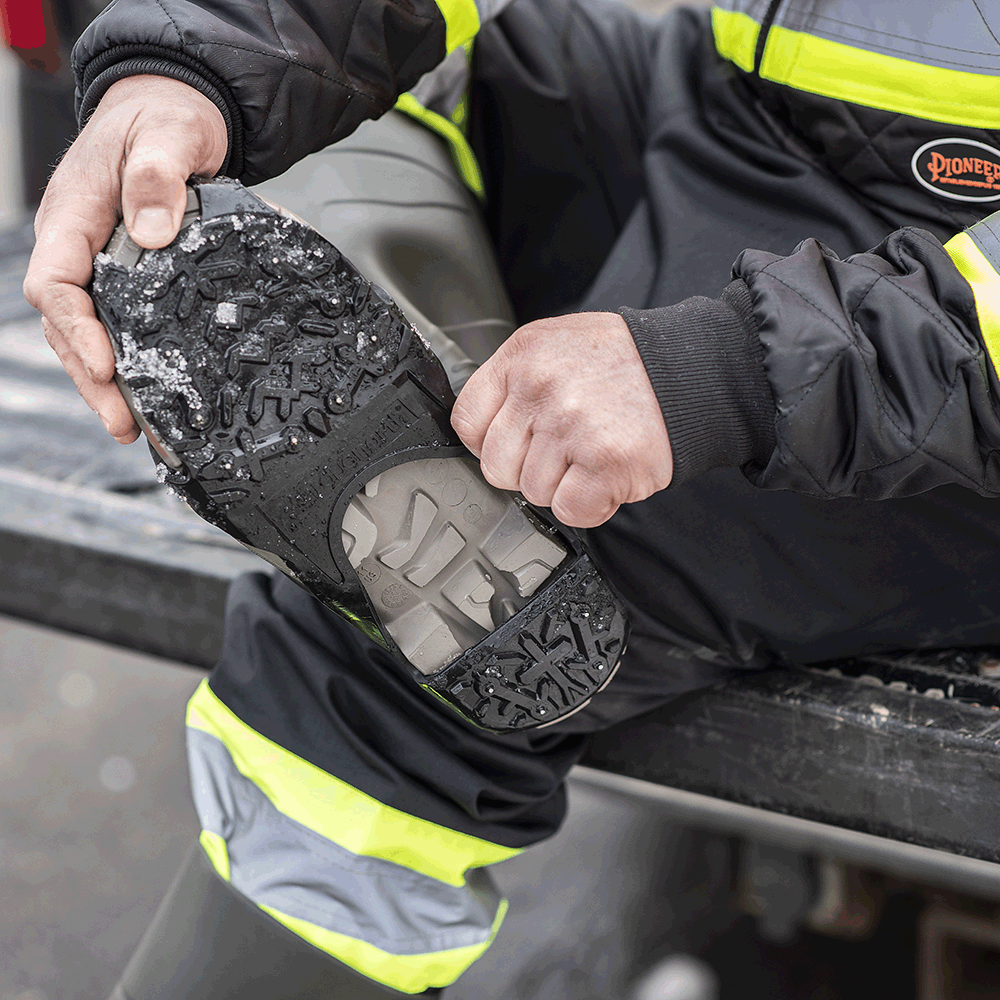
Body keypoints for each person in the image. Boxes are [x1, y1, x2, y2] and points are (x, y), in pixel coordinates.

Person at [22, 0, 1000, 995]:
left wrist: (723, 374)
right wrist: (191, 66)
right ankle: (441, 410)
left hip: (958, 371)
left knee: (420, 653)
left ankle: (451, 460)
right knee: (384, 100)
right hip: (750, 107)